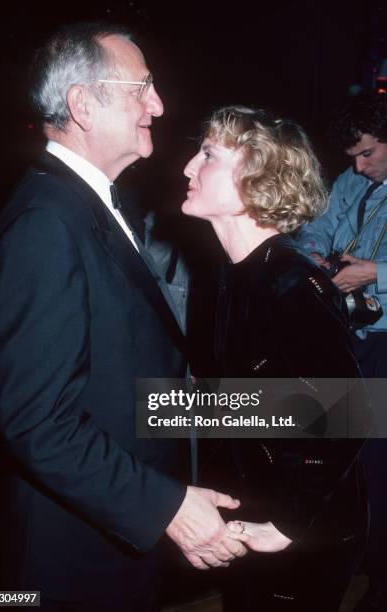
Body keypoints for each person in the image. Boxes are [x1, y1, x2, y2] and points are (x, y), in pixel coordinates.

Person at [0, 23, 246, 612]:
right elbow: (37, 423)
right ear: (82, 104)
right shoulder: (45, 223)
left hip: (111, 534)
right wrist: (168, 508)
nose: (158, 104)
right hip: (71, 557)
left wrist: (321, 414)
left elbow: (129, 380)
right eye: (141, 88)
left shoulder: (92, 203)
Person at [182, 106, 370, 611]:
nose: (187, 168)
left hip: (305, 530)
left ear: (257, 175)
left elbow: (348, 413)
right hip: (262, 512)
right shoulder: (237, 276)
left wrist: (290, 522)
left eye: (207, 155)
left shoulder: (290, 283)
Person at [297, 92, 387, 612]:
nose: (359, 166)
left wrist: (374, 273)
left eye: (369, 153)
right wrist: (315, 261)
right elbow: (316, 230)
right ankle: (355, 560)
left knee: (380, 462)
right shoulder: (352, 180)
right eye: (352, 156)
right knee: (346, 455)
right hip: (351, 337)